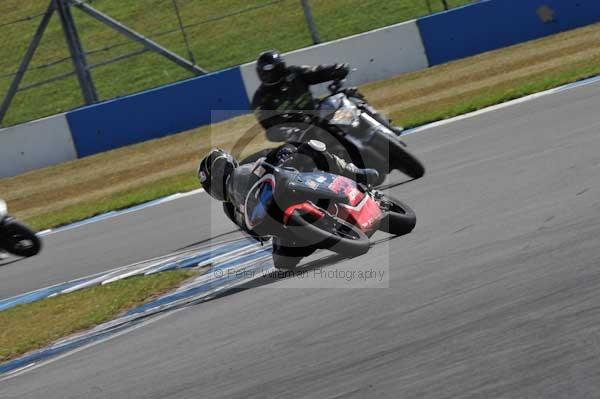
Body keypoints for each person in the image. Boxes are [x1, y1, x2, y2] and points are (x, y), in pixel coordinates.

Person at [197, 141, 379, 245]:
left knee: (310, 148)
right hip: (274, 219)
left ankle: (351, 171)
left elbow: (274, 151)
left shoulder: (248, 163)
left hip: (286, 180)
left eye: (218, 173)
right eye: (212, 186)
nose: (218, 183)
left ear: (228, 164)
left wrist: (283, 154)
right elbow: (255, 235)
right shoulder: (229, 208)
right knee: (282, 262)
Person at [251, 50, 403, 142]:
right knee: (304, 155)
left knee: (349, 95)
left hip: (323, 114)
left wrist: (336, 70)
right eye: (267, 71)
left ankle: (385, 126)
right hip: (303, 131)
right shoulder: (261, 99)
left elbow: (316, 72)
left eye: (274, 69)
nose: (271, 74)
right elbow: (270, 128)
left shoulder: (294, 73)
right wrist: (286, 131)